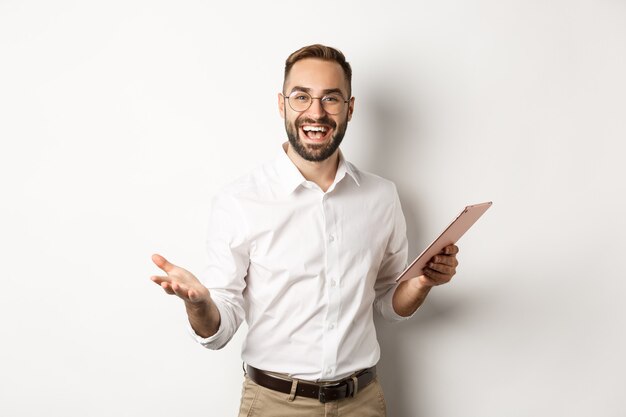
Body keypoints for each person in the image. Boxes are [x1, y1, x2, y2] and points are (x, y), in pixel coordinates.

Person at [150, 44, 459, 417]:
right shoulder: (239, 200)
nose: (316, 112)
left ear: (350, 107)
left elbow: (388, 302)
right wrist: (199, 305)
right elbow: (220, 326)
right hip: (274, 404)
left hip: (363, 402)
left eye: (331, 98)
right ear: (282, 104)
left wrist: (422, 282)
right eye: (302, 97)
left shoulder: (382, 197)